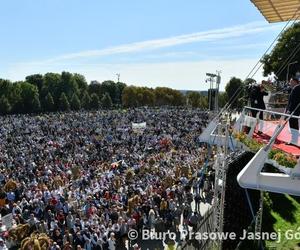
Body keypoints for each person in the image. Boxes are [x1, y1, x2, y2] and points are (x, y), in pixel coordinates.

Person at [286, 77, 300, 144]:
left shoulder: (297, 88)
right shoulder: (294, 88)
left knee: (293, 125)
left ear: (295, 81)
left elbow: (293, 101)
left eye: (291, 82)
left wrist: (289, 110)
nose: (290, 83)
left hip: (294, 110)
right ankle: (294, 140)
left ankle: (294, 140)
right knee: (293, 125)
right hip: (293, 110)